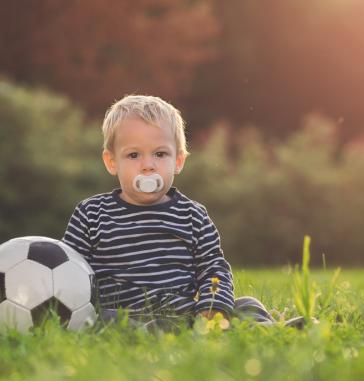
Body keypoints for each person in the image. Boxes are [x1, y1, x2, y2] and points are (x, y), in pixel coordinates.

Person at [62, 95, 297, 329]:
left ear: (178, 161)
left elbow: (212, 266)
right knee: (101, 318)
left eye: (160, 154)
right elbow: (68, 270)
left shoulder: (192, 215)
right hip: (123, 315)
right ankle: (149, 330)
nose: (148, 165)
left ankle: (270, 329)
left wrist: (211, 305)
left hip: (183, 316)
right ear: (112, 162)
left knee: (246, 304)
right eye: (134, 155)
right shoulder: (91, 214)